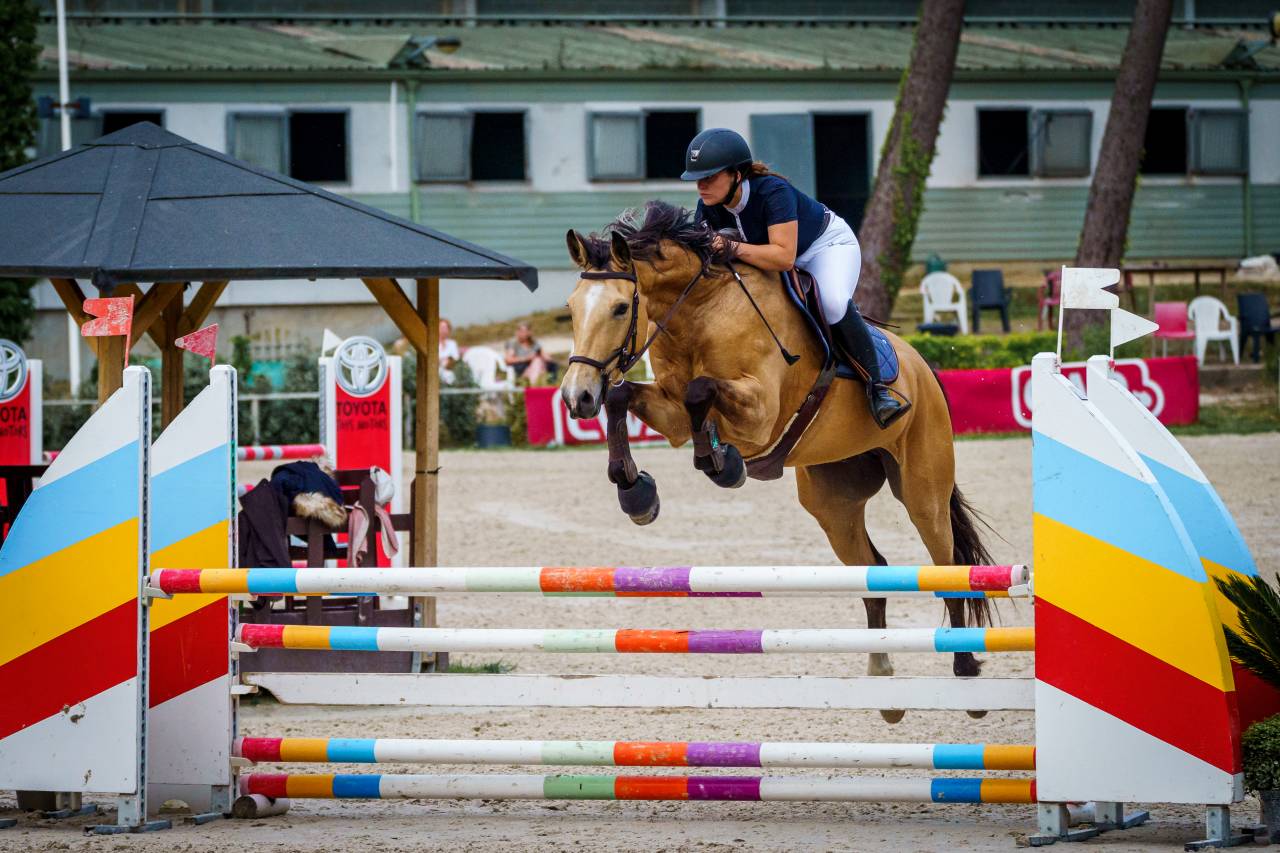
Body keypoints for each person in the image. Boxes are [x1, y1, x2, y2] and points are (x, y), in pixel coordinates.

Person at [680, 127, 909, 429]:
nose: (701, 186)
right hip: (772, 255)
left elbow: (783, 258)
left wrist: (731, 246)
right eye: (698, 178)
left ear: (737, 174)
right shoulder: (708, 208)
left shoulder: (772, 191)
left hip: (824, 247)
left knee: (832, 302)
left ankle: (878, 389)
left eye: (709, 177)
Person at [438, 318, 460, 385]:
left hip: (450, 372)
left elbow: (455, 358)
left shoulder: (452, 343)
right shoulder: (432, 343)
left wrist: (445, 360)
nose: (443, 330)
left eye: (445, 328)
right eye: (441, 327)